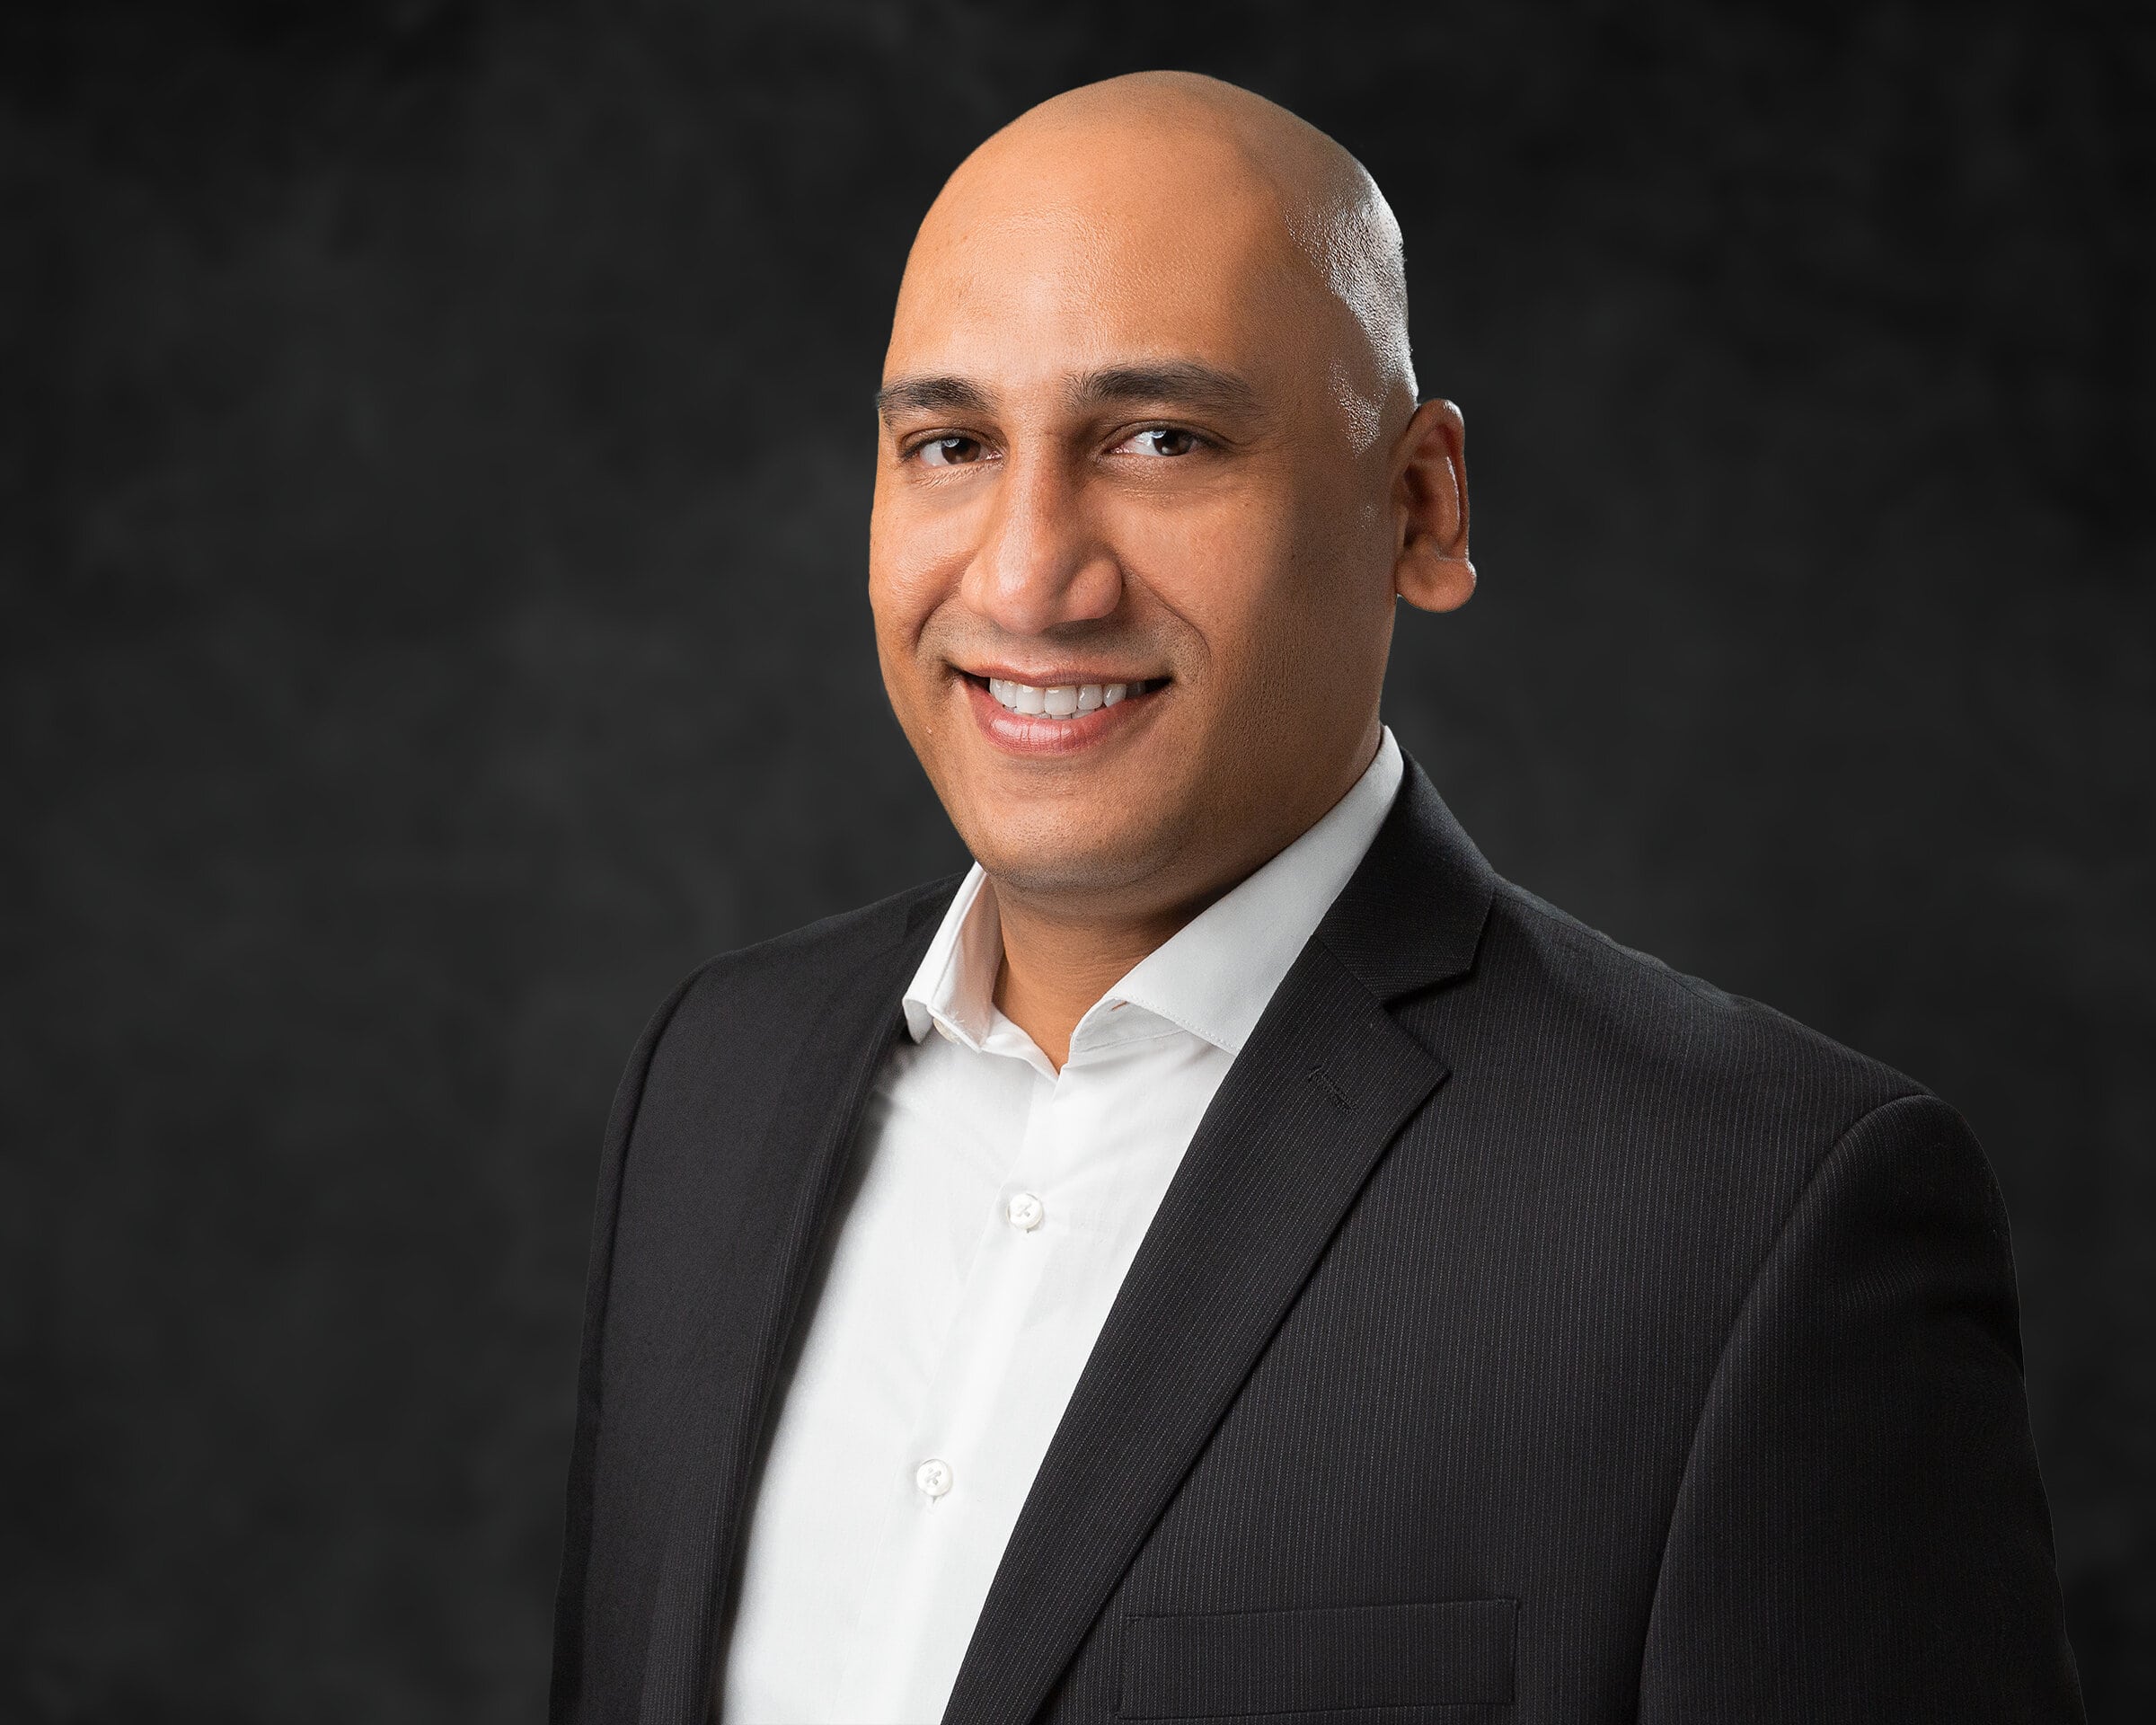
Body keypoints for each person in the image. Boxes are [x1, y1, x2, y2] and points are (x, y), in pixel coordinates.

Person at [548, 71, 2082, 1725]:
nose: (1026, 575)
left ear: (1422, 506)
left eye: (1161, 439)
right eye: (953, 444)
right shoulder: (714, 1081)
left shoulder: (1760, 1222)